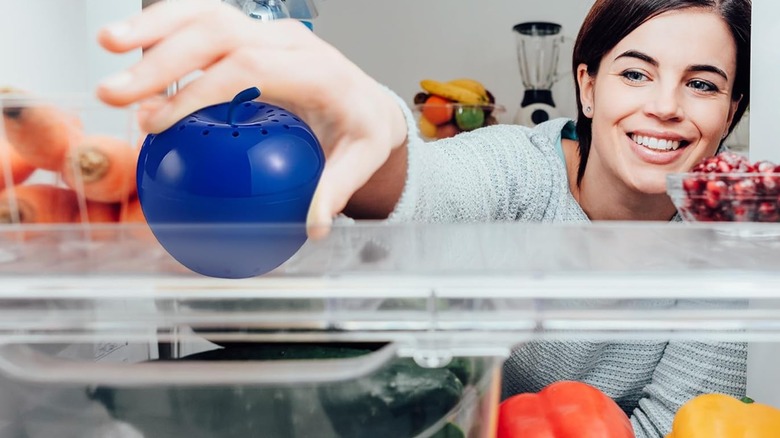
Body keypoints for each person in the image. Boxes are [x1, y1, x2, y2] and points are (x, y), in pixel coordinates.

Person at [96, 0, 752, 436]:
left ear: (732, 109)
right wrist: (378, 131)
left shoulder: (724, 244)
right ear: (587, 84)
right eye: (636, 74)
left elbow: (682, 425)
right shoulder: (520, 167)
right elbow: (428, 189)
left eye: (702, 84)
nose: (666, 107)